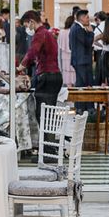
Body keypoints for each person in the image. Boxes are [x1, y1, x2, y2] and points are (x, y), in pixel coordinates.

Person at [17, 10, 63, 143]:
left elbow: (32, 52)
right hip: (55, 76)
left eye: (26, 25)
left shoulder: (40, 34)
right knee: (49, 114)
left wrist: (21, 66)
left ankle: (48, 149)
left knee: (43, 115)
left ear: (32, 22)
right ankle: (50, 146)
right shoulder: (48, 34)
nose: (27, 28)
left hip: (47, 77)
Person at [69, 9, 94, 112]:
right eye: (87, 17)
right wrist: (91, 33)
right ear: (82, 18)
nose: (89, 19)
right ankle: (83, 108)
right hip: (82, 61)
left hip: (80, 60)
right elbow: (87, 43)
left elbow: (71, 46)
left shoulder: (75, 28)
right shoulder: (78, 29)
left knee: (82, 84)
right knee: (84, 85)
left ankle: (82, 107)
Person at [57, 16, 76, 87]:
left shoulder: (62, 32)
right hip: (74, 55)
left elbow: (59, 46)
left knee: (66, 73)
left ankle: (68, 88)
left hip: (64, 56)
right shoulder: (74, 31)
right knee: (73, 74)